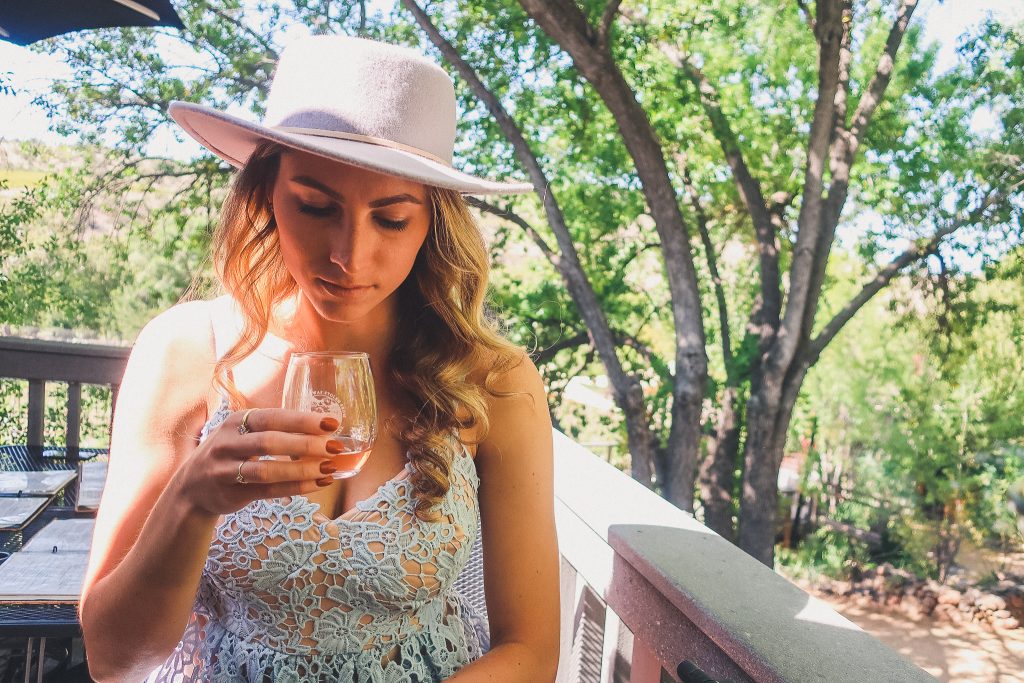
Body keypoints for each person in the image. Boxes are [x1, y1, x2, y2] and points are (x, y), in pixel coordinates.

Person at [79, 36, 560, 682]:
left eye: (390, 219)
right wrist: (192, 498)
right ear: (266, 191)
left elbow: (533, 649)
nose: (349, 256)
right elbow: (112, 656)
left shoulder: (494, 383)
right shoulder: (185, 353)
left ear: (433, 224)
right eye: (315, 206)